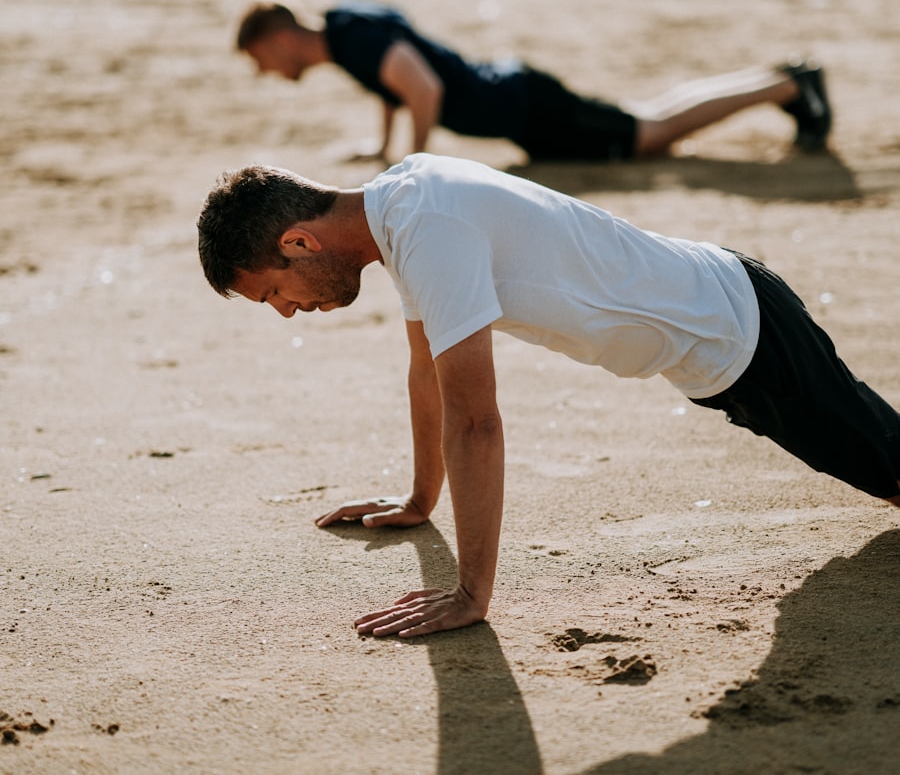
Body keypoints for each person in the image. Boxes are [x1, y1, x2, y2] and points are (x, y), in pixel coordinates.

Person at [196, 153, 897, 638]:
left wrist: (472, 594)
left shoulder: (427, 229)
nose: (286, 312)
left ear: (298, 242)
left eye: (272, 293)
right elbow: (427, 376)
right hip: (716, 347)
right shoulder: (401, 208)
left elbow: (476, 423)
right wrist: (419, 501)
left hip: (741, 335)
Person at [234, 0, 832, 163]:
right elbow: (396, 86)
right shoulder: (345, 28)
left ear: (281, 38)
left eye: (261, 59)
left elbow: (424, 88)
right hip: (519, 99)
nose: (266, 72)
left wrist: (414, 164)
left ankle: (787, 87)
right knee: (647, 115)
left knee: (650, 135)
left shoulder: (353, 40)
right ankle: (782, 78)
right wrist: (383, 146)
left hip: (524, 108)